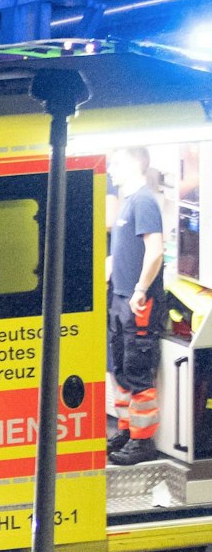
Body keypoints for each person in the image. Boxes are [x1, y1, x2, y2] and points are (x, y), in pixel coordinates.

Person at [109, 147, 168, 466]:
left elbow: (155, 250)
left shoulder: (144, 200)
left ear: (135, 163)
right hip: (120, 298)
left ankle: (142, 441)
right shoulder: (127, 202)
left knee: (137, 369)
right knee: (120, 369)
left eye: (116, 162)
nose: (110, 169)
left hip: (138, 301)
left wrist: (140, 290)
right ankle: (126, 430)